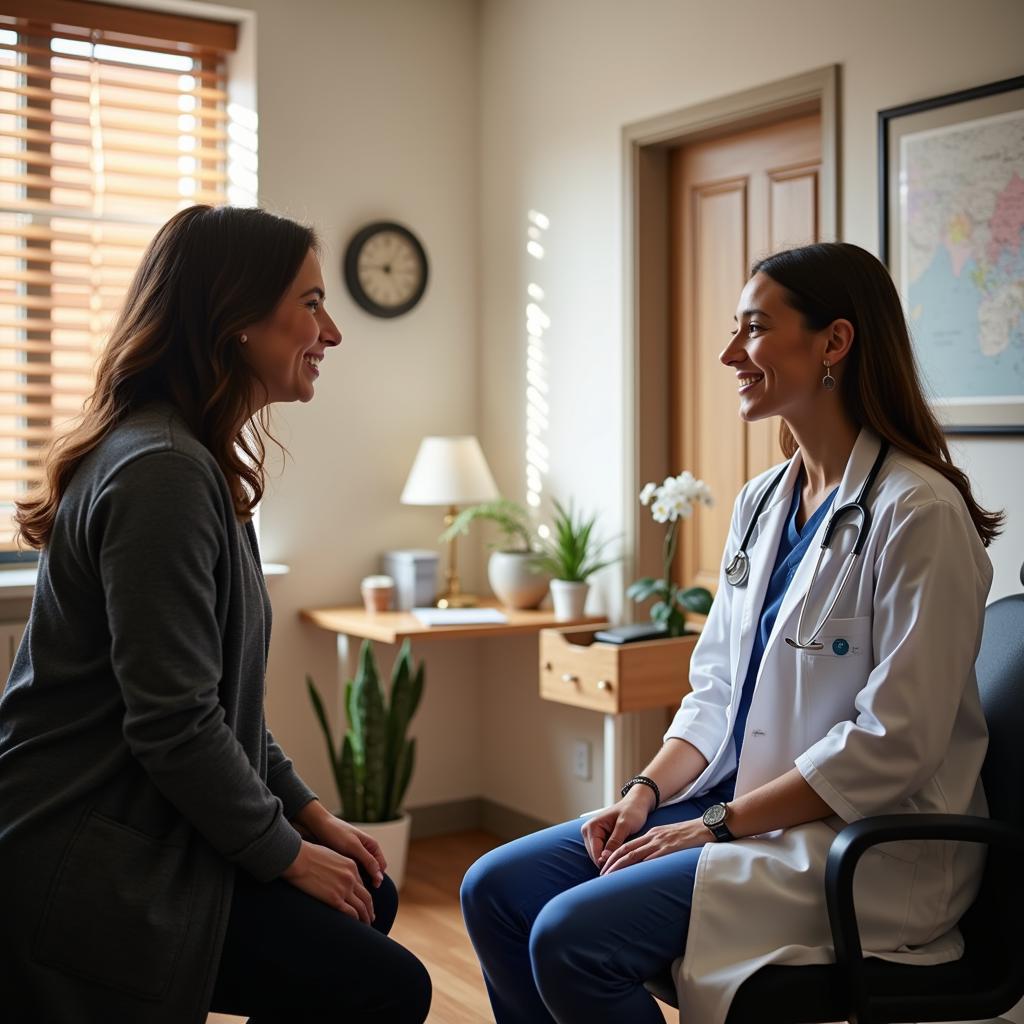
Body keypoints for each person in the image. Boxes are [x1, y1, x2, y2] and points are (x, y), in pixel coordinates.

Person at [461, 242, 1002, 1024]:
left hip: (854, 847)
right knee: (496, 890)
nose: (728, 353)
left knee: (569, 938)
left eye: (752, 328)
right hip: (738, 805)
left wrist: (712, 828)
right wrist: (647, 793)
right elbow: (715, 688)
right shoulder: (760, 502)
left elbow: (894, 742)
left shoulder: (919, 514)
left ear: (834, 343)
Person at [0, 205, 431, 1024]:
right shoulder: (162, 472)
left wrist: (311, 818)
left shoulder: (191, 463)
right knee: (389, 983)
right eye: (309, 303)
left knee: (369, 894)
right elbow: (175, 724)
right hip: (90, 860)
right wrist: (285, 856)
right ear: (234, 320)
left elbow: (222, 709)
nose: (331, 331)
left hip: (142, 831)